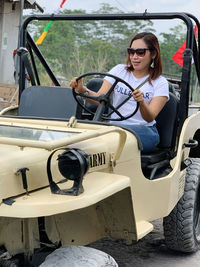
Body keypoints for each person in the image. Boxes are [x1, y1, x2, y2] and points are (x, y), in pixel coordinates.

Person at [70, 32, 169, 153]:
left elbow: (149, 117)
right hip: (113, 128)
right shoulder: (119, 70)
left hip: (144, 131)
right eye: (131, 52)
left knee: (109, 138)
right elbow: (99, 99)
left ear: (153, 54)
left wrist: (141, 102)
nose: (134, 57)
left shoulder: (160, 82)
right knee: (78, 136)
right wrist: (82, 90)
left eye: (140, 52)